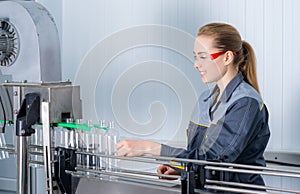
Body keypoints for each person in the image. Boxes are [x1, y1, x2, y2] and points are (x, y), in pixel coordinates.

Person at [116, 22, 270, 187]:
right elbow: (198, 157)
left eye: (203, 56)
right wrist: (180, 168)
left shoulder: (245, 103)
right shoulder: (205, 100)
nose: (196, 64)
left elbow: (213, 160)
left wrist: (148, 148)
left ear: (227, 57)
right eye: (195, 57)